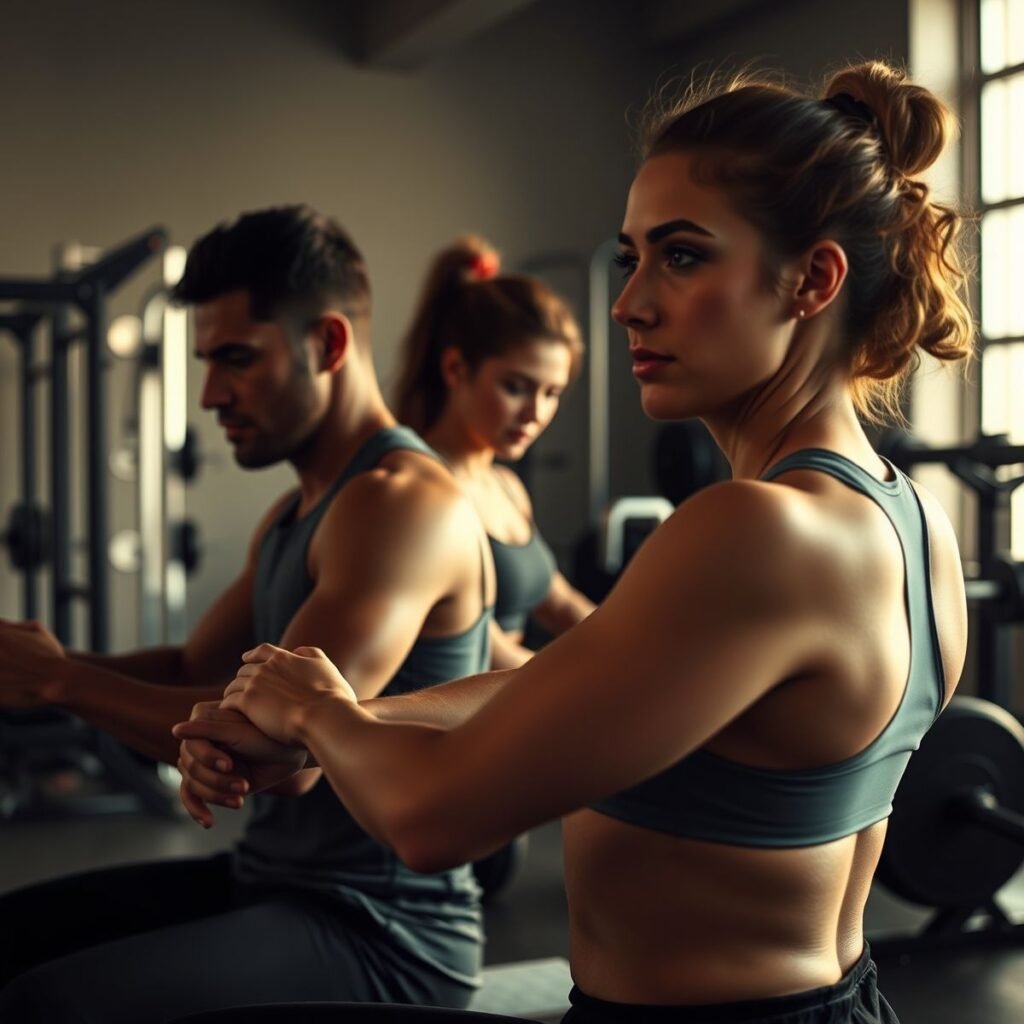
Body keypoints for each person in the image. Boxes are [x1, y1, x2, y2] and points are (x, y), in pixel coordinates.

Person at [175, 60, 973, 1023]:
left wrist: (315, 716)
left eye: (681, 256)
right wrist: (364, 717)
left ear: (812, 280)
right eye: (631, 257)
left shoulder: (753, 528)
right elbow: (573, 685)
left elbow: (431, 821)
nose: (629, 303)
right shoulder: (909, 519)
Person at [0, 206, 495, 1022]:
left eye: (236, 359)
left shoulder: (400, 505)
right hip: (271, 883)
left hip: (383, 931)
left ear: (328, 345)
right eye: (207, 362)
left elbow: (283, 748)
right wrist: (39, 666)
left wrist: (58, 685)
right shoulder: (297, 509)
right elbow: (197, 673)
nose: (209, 395)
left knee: (45, 1006)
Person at [394, 236, 594, 669]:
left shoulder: (505, 485)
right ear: (455, 369)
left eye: (552, 393)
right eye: (516, 387)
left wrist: (638, 647)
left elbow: (558, 601)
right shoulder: (424, 493)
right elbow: (485, 650)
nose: (536, 413)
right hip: (462, 721)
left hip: (512, 700)